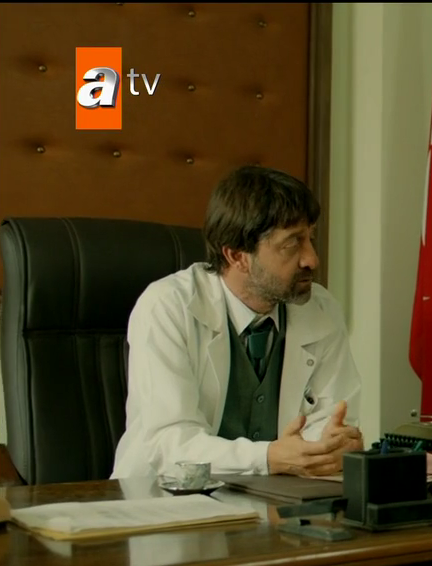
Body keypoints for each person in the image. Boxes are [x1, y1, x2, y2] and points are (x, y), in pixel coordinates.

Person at [112, 165, 364, 480]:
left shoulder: (321, 309)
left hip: (277, 498)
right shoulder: (168, 306)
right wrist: (268, 457)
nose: (311, 259)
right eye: (292, 244)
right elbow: (170, 443)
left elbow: (332, 422)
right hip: (165, 496)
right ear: (237, 256)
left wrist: (332, 445)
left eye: (310, 239)